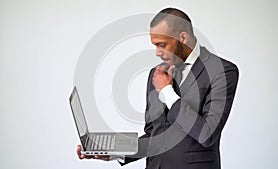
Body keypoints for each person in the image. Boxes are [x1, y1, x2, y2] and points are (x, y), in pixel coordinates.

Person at [77, 7, 239, 169]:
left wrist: (167, 92)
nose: (157, 53)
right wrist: (113, 152)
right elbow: (153, 136)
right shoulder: (157, 74)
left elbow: (207, 133)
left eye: (162, 45)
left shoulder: (222, 71)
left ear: (182, 38)